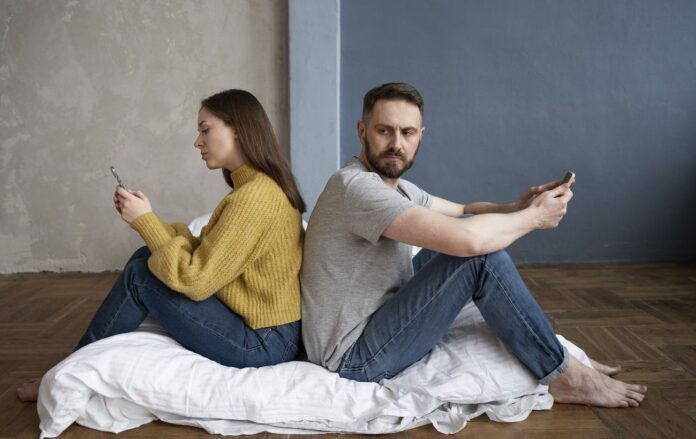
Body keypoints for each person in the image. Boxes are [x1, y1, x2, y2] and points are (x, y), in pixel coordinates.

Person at [301, 82, 647, 407]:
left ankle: (557, 354)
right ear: (362, 131)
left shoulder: (397, 189)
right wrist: (534, 219)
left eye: (407, 133)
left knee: (460, 245)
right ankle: (566, 376)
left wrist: (516, 208)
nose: (397, 144)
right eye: (384, 131)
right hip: (354, 356)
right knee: (479, 258)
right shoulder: (357, 188)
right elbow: (469, 241)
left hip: (374, 318)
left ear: (420, 136)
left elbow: (463, 210)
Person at [17, 89, 305, 402]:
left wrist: (145, 222)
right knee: (146, 256)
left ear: (237, 129)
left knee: (141, 276)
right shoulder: (255, 187)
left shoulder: (255, 197)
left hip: (264, 342)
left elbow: (196, 280)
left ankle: (66, 378)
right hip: (267, 332)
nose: (197, 142)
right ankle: (76, 368)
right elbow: (206, 252)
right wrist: (148, 217)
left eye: (205, 130)